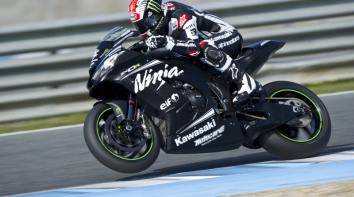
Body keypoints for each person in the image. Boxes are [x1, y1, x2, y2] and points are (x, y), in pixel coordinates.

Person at [128, 0, 262, 103]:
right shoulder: (157, 29)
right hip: (204, 48)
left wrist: (167, 42)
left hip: (227, 36)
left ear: (157, 12)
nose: (146, 29)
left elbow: (194, 48)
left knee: (203, 47)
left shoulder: (180, 15)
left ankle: (245, 81)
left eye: (148, 22)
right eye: (141, 26)